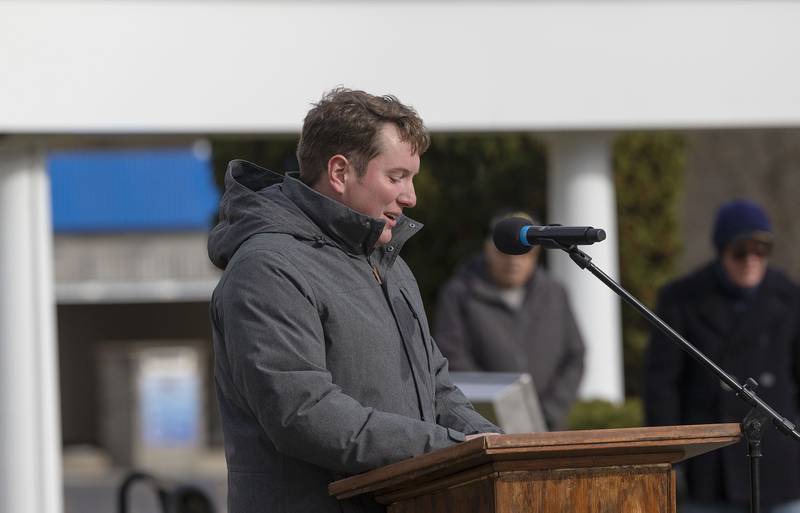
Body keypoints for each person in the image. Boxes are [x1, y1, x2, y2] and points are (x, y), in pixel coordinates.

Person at [207, 88, 500, 513]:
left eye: (411, 178)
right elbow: (303, 413)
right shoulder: (266, 269)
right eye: (396, 177)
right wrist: (452, 448)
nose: (411, 197)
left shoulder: (391, 266)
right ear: (340, 172)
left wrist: (495, 446)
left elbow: (436, 388)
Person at [644, 199, 800, 513]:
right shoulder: (681, 299)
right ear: (721, 251)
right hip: (711, 467)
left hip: (778, 464)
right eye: (740, 251)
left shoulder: (790, 296)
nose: (750, 260)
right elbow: (661, 386)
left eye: (761, 250)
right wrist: (669, 458)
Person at [433, 210, 586, 431]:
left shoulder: (555, 292)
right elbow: (452, 356)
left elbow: (574, 355)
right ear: (488, 249)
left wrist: (550, 412)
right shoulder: (459, 293)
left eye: (524, 253)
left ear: (536, 255)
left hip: (549, 428)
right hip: (483, 427)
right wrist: (494, 407)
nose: (514, 261)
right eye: (505, 251)